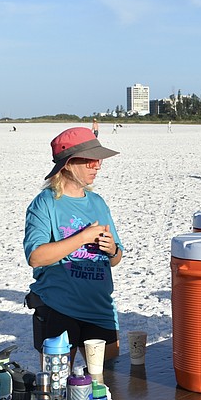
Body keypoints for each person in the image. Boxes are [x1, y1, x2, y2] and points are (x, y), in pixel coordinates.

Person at [23, 127, 124, 367]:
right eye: (90, 160)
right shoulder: (45, 203)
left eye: (99, 160)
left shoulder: (97, 202)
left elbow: (116, 258)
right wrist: (83, 237)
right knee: (58, 384)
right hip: (59, 309)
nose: (97, 166)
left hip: (100, 309)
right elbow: (36, 257)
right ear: (68, 164)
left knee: (110, 381)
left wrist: (112, 249)